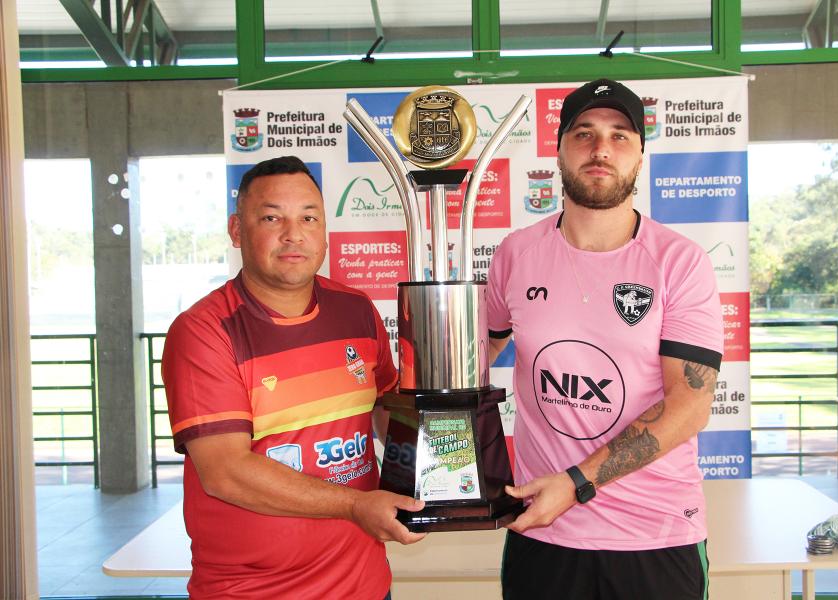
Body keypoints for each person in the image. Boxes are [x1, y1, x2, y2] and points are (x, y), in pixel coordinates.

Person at [486, 78, 724, 599]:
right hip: (546, 532)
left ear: (640, 154)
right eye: (584, 133)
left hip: (655, 538)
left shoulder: (680, 262)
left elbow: (690, 407)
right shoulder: (515, 253)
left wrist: (576, 483)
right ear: (559, 150)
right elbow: (475, 354)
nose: (601, 149)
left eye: (620, 136)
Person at [162, 155, 425, 599]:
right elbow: (226, 472)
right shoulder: (204, 330)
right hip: (253, 591)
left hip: (365, 585)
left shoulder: (356, 309)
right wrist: (357, 505)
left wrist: (441, 468)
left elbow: (386, 409)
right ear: (236, 229)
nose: (293, 233)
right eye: (271, 217)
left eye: (309, 217)